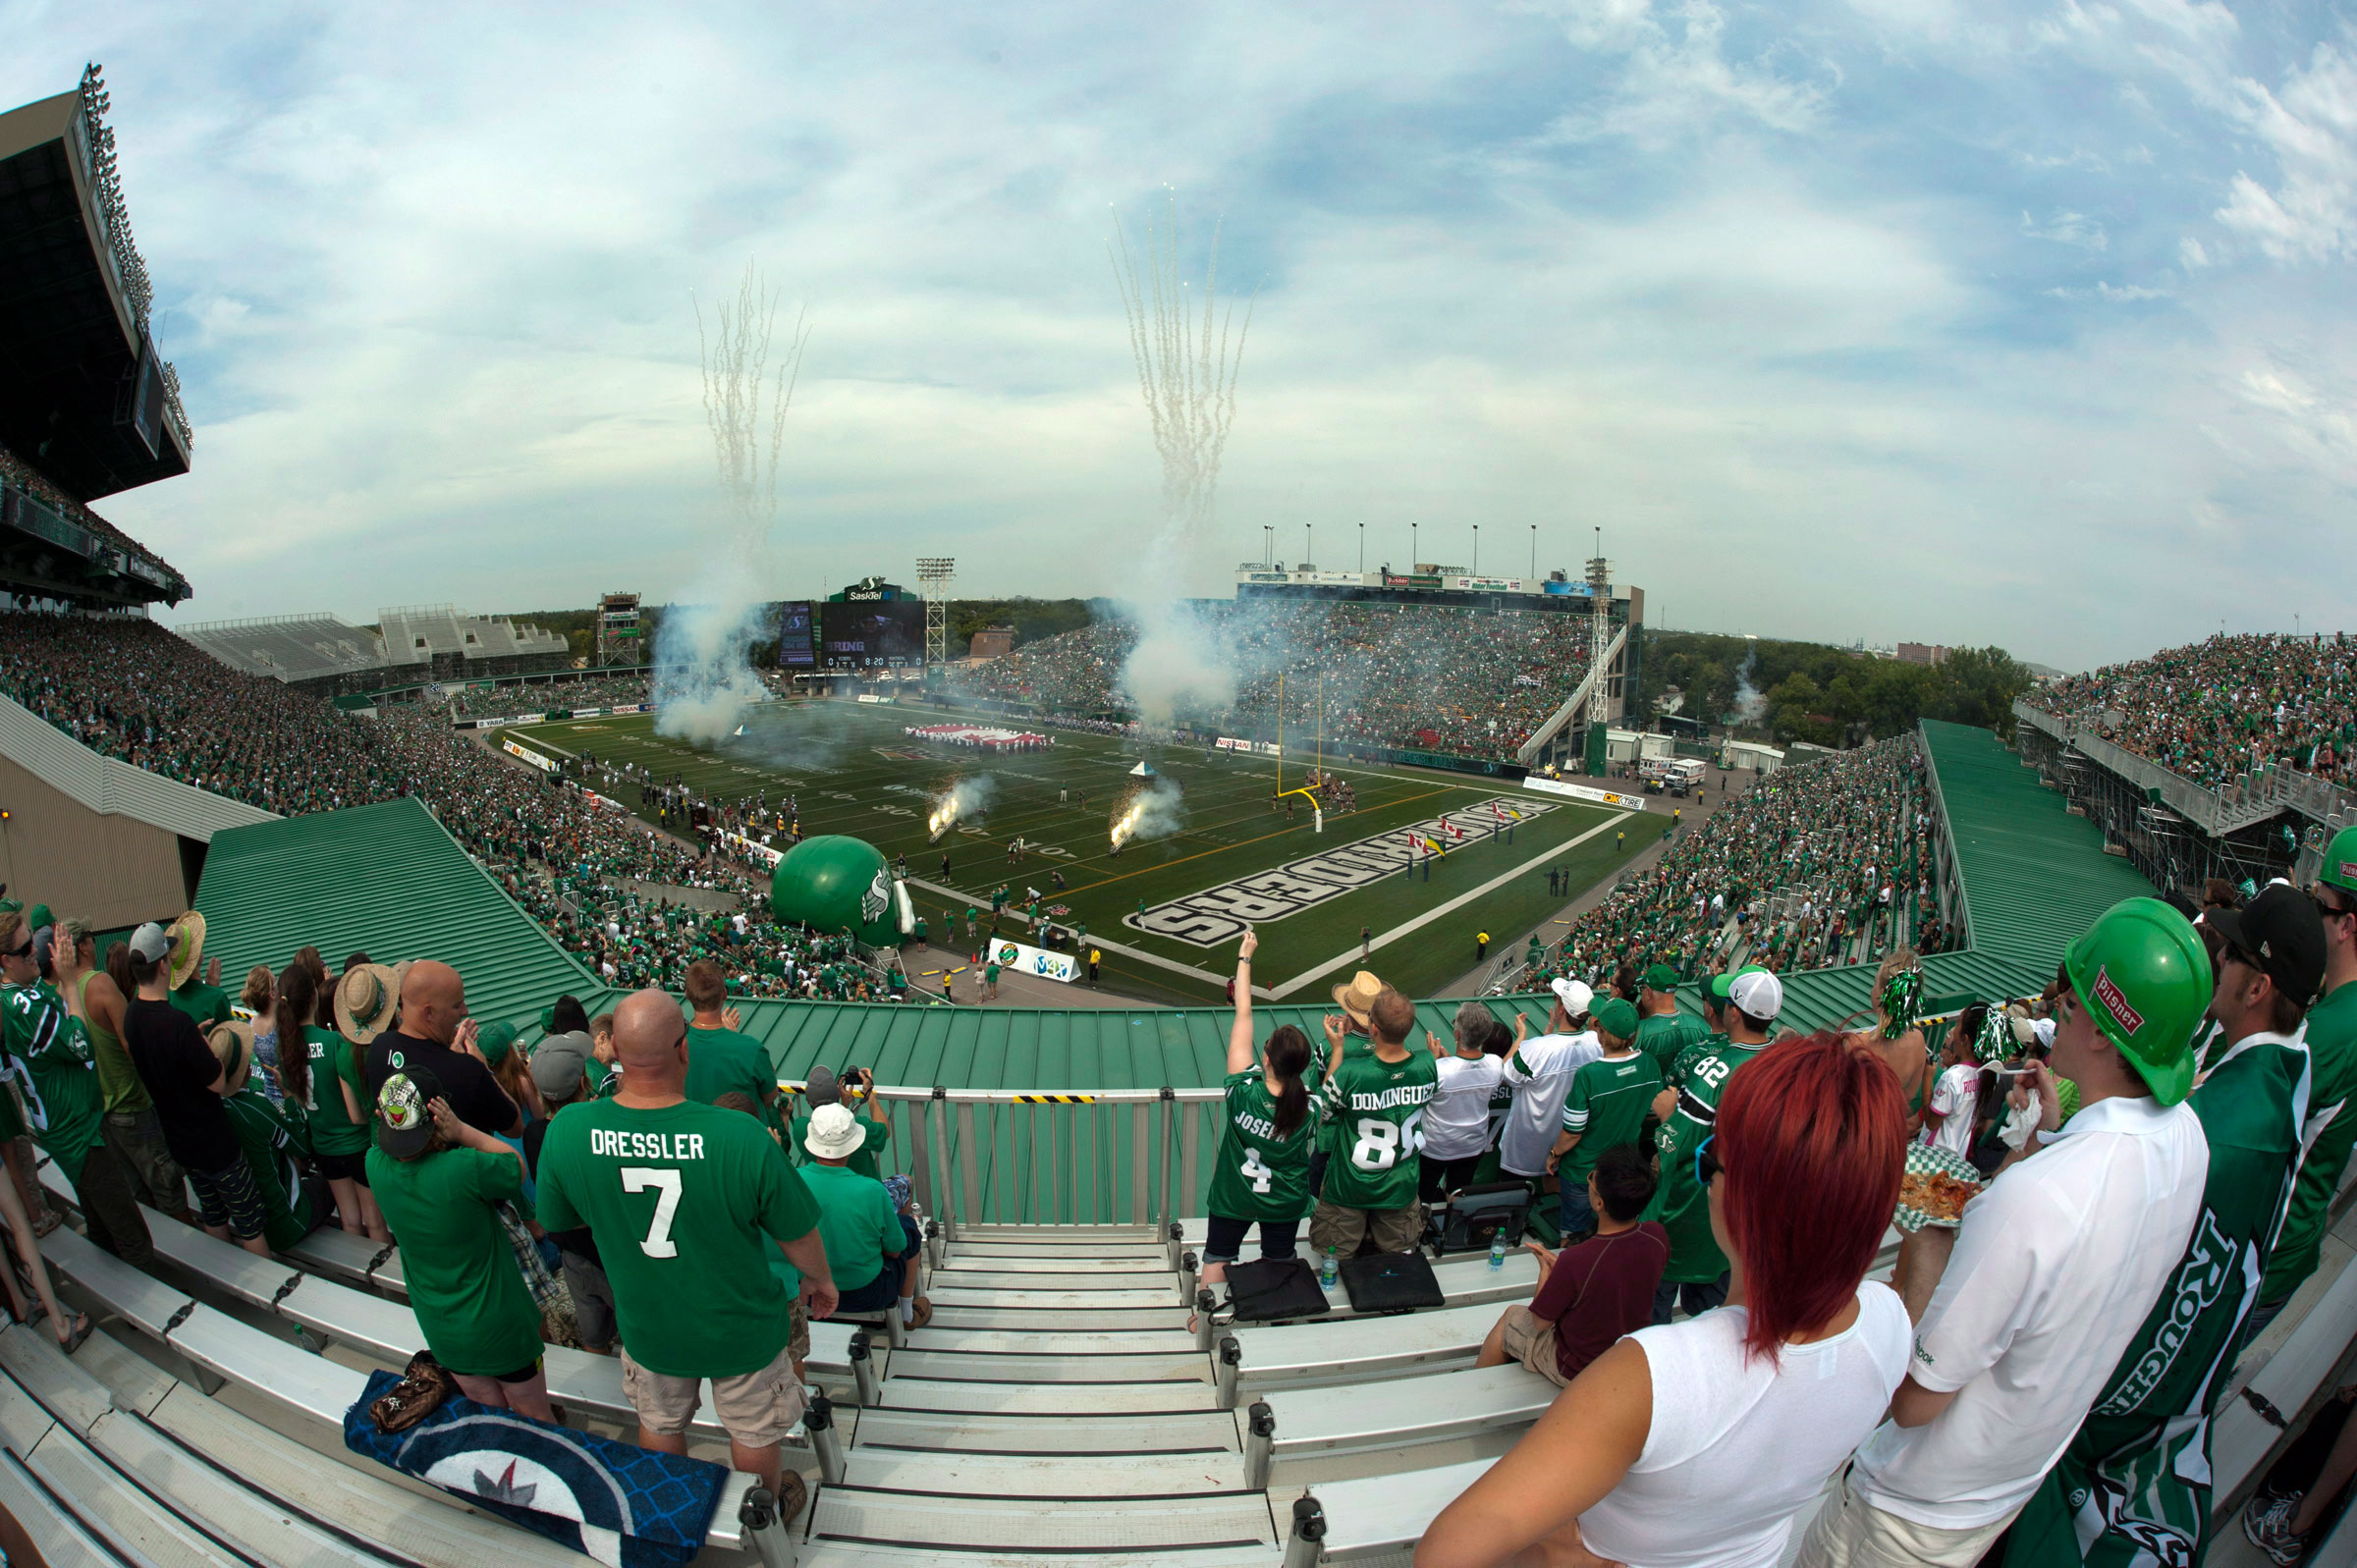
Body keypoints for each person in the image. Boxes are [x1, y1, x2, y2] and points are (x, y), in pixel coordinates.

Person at [1798, 896, 2214, 1568]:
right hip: (2006, 1482)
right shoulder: (2188, 1140)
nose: (2056, 1014)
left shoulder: (2039, 1200)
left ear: (2106, 1031)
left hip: (1910, 1512)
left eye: (2071, 1000)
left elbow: (1912, 1402)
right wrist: (2044, 1138)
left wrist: (1928, 1256)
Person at [1418, 1035, 1912, 1568]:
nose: (1702, 1174)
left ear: (1738, 1197)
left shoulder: (1653, 1373)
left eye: (1708, 1161)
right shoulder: (1893, 1320)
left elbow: (1445, 1552)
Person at [2005, 884, 2323, 1565]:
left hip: (2124, 1408)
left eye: (2230, 954)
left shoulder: (2224, 1129)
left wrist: (2047, 1138)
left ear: (2258, 986)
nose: (2216, 962)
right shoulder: (2280, 1069)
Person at [534, 989, 837, 1508]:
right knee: (753, 1430)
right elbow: (798, 1232)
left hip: (648, 1322)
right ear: (683, 1051)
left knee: (660, 1421)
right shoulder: (739, 1134)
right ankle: (762, 1512)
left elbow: (559, 1221)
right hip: (737, 1324)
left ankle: (674, 1508)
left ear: (614, 1054)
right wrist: (819, 1279)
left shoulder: (569, 1130)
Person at [364, 1066, 556, 1422]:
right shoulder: (462, 1168)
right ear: (437, 1120)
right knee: (536, 1417)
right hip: (501, 1327)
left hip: (444, 1330)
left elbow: (381, 1143)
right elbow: (514, 1166)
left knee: (488, 1414)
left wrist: (393, 1121)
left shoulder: (375, 1165)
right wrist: (462, 1130)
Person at [2251, 824, 2357, 1336]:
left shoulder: (2333, 1033)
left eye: (2320, 905)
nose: (2312, 915)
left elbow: (2243, 1123)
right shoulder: (2340, 1016)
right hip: (2291, 1244)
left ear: (2347, 925)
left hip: (2261, 1256)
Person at [1642, 967, 1781, 1324]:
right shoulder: (1783, 1062)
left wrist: (1666, 1114)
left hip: (1695, 1206)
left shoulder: (1715, 1069)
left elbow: (1678, 1142)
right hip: (1748, 1201)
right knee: (1718, 1304)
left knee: (1654, 1303)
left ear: (1733, 1011)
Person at [122, 921, 266, 1258]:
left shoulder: (131, 1016)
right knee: (250, 1222)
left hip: (178, 1143)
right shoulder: (178, 1024)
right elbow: (217, 1082)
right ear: (162, 964)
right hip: (214, 1142)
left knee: (213, 1215)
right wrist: (203, 1046)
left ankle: (227, 1288)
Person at [1473, 1144, 1666, 1388]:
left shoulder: (1576, 1259)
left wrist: (1547, 1273)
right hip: (1624, 1356)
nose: (1589, 1182)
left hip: (1577, 1368)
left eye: (1592, 1179)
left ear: (1599, 1203)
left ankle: (1476, 1387)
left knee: (1511, 1317)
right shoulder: (1657, 1237)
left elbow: (1539, 1322)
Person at [1202, 931, 1317, 1291]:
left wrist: (1245, 957)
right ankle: (1272, 1312)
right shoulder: (1310, 1107)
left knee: (1217, 1257)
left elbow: (1243, 1014)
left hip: (1234, 1194)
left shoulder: (1242, 1092)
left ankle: (1205, 1318)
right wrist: (1339, 1049)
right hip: (1284, 1199)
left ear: (1265, 1057)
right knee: (1279, 1262)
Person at [55, 919, 186, 1220]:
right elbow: (131, 1044)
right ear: (85, 945)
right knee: (167, 1185)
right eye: (90, 938)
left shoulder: (66, 993)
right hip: (131, 1104)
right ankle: (191, 1248)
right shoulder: (100, 983)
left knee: (138, 1190)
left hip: (102, 1110)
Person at [1311, 987, 1437, 1260]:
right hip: (1400, 1184)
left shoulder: (1350, 1074)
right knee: (1398, 1263)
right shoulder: (1429, 1065)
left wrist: (1338, 1050)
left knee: (1335, 1263)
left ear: (1373, 1028)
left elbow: (1321, 1113)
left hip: (1350, 1185)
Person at [275, 960, 385, 1240]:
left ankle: (358, 1283)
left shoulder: (285, 1049)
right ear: (314, 997)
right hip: (355, 1144)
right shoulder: (333, 1042)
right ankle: (386, 1284)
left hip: (324, 1148)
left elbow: (295, 1102)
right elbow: (354, 1110)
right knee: (374, 1221)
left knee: (349, 1220)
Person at [524, 1030, 614, 1356]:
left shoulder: (536, 1134)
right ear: (582, 1083)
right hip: (613, 1252)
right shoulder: (601, 1127)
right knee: (635, 1336)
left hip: (573, 1257)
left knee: (594, 1337)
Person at [800, 1105, 930, 1330]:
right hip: (866, 1293)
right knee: (908, 1227)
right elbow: (895, 1249)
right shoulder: (871, 1190)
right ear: (853, 1145)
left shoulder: (793, 1181)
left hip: (808, 1289)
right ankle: (907, 1314)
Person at [360, 960, 521, 1139]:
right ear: (428, 1013)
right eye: (456, 1005)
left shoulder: (379, 1047)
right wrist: (482, 1067)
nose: (465, 1011)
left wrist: (449, 1053)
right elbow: (514, 1127)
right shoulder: (467, 1070)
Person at [1547, 998, 1657, 1242]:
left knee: (1573, 1237)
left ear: (1602, 1034)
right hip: (1624, 1170)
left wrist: (1554, 1154)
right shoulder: (1649, 1064)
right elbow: (1653, 1112)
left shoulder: (1589, 1075)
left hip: (1583, 1172)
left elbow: (1572, 1133)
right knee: (1615, 1235)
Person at [208, 1021, 323, 1252]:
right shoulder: (254, 1108)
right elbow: (302, 1146)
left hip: (247, 1219)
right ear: (246, 1068)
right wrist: (289, 1096)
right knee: (333, 1180)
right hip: (286, 1222)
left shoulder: (211, 1108)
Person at [1497, 979, 1601, 1185]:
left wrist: (1521, 1037)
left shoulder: (1536, 1048)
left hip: (1527, 1151)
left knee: (1511, 1203)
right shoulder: (1598, 1042)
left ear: (1561, 1009)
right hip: (1570, 1147)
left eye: (1557, 1000)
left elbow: (1505, 1075)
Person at [1418, 1003, 1507, 1204]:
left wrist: (1431, 1059)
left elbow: (1419, 1096)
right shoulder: (1495, 1065)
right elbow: (1470, 1073)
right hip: (1471, 1145)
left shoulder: (1438, 1069)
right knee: (1457, 1195)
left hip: (1435, 1147)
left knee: (1423, 1195)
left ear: (1457, 1035)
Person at [1851, 951, 1934, 1135]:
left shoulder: (1856, 1044)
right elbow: (1909, 1097)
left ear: (1881, 993)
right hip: (1889, 1133)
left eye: (1874, 983)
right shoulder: (1918, 1040)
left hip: (1857, 1136)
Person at [682, 962, 775, 1119]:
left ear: (687, 994)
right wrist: (735, 1037)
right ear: (724, 993)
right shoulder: (751, 1048)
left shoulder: (672, 1046)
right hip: (742, 1137)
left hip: (693, 1135)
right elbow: (770, 1096)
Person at [789, 1066, 891, 1180]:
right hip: (863, 1191)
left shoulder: (800, 1127)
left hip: (824, 1191)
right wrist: (868, 1093)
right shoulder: (861, 1126)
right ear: (838, 1095)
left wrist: (844, 1106)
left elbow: (828, 1128)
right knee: (906, 1180)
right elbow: (884, 1130)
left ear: (809, 1101)